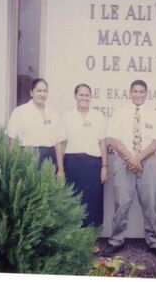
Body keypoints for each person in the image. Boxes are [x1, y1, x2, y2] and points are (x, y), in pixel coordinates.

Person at [101, 79, 156, 260]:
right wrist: (131, 158)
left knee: (150, 204)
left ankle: (155, 242)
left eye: (141, 91)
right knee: (122, 204)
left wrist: (138, 158)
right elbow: (113, 139)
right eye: (135, 91)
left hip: (149, 162)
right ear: (130, 93)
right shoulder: (120, 114)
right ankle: (115, 241)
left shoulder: (154, 114)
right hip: (124, 162)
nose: (138, 94)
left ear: (146, 93)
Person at [57, 83, 108, 227]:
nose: (84, 98)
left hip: (93, 164)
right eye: (81, 94)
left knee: (94, 200)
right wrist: (61, 169)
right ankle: (73, 240)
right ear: (75, 96)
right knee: (73, 199)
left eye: (87, 95)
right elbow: (62, 144)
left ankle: (92, 238)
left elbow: (102, 143)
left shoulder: (98, 116)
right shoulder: (67, 116)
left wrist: (105, 166)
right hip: (72, 163)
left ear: (90, 97)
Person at [7, 78, 65, 174]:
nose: (42, 94)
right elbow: (12, 143)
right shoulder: (20, 111)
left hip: (49, 159)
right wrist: (15, 170)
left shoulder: (53, 113)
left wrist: (60, 169)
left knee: (48, 188)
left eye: (45, 91)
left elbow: (58, 143)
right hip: (27, 157)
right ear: (31, 92)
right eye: (38, 91)